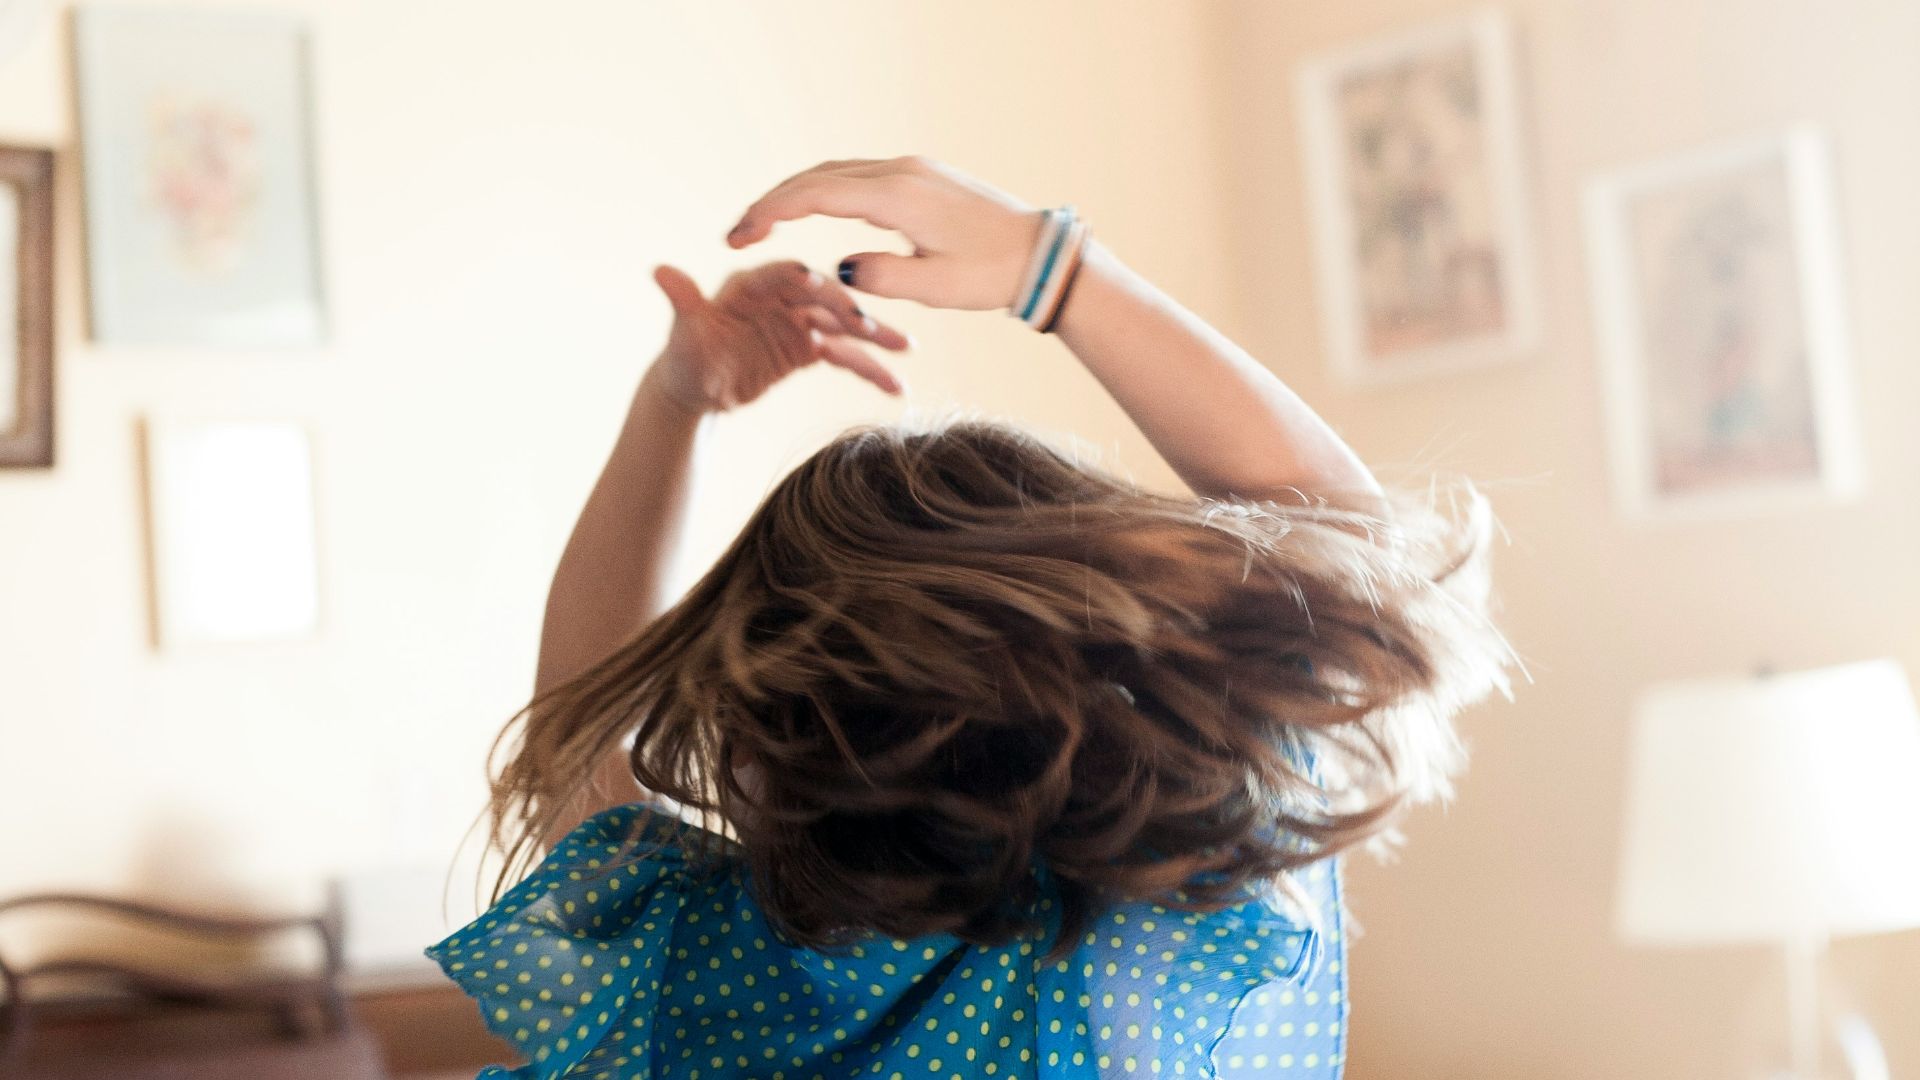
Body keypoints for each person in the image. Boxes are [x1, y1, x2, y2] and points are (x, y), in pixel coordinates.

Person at [426, 157, 1514, 1080]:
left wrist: (676, 405)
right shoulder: (1168, 914)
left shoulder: (722, 974)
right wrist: (1060, 274)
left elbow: (574, 737)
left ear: (768, 725)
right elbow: (1351, 542)